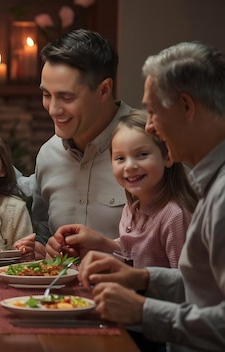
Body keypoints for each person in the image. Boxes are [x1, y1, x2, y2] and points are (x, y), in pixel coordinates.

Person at [79, 41, 225, 351]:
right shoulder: (209, 183)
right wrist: (142, 278)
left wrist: (143, 311)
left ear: (186, 107)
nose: (149, 126)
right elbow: (205, 289)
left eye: (154, 112)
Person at [46, 110, 197, 269]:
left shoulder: (175, 216)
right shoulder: (132, 209)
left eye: (142, 154)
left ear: (168, 157)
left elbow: (186, 283)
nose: (130, 166)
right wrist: (101, 243)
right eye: (120, 158)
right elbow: (134, 252)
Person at [31, 29, 132, 250]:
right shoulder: (48, 154)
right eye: (46, 95)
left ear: (104, 90)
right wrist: (44, 247)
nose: (53, 109)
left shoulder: (151, 145)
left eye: (66, 97)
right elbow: (42, 233)